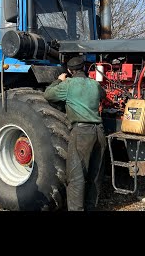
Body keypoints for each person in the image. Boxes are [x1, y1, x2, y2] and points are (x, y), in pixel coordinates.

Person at [43, 56, 106, 211]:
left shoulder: (68, 84)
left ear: (70, 71)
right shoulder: (95, 84)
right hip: (99, 133)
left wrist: (59, 80)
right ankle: (91, 207)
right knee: (95, 176)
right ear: (84, 68)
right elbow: (103, 95)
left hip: (82, 133)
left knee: (76, 177)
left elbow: (48, 95)